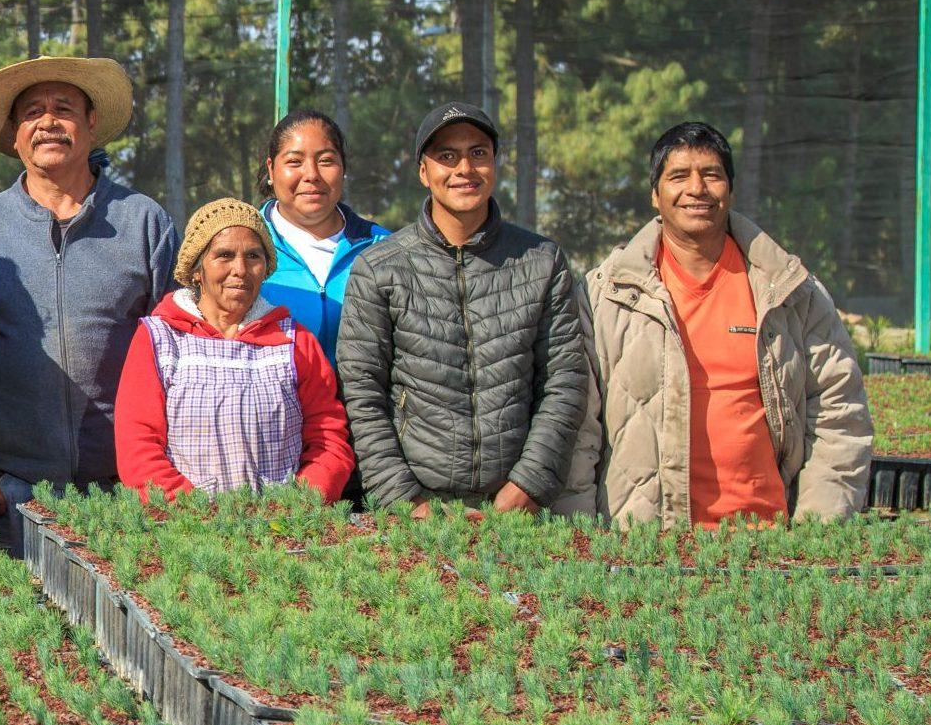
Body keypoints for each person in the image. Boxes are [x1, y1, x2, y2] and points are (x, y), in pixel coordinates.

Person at [580, 122, 871, 525]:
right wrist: (580, 535)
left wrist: (817, 528)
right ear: (655, 195)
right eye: (678, 176)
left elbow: (839, 413)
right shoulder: (606, 296)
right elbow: (579, 429)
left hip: (771, 542)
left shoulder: (791, 292)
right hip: (646, 543)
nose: (696, 188)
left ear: (730, 190)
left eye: (711, 174)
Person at [0, 56, 177, 545]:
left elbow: (177, 353)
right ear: (15, 136)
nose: (48, 121)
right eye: (32, 112)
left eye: (64, 108)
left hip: (125, 492)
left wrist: (158, 473)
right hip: (10, 492)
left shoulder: (143, 223)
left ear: (91, 123)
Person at [337, 102, 590, 515]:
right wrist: (404, 500)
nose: (465, 169)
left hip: (516, 509)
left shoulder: (542, 261)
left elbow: (564, 382)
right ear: (424, 172)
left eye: (478, 153)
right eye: (447, 156)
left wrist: (527, 486)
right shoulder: (380, 268)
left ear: (495, 163)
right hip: (416, 511)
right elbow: (362, 392)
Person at [114, 198, 354, 499]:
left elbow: (328, 439)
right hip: (184, 523)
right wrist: (197, 514)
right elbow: (138, 447)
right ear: (197, 269)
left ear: (265, 268)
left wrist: (298, 507)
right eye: (224, 255)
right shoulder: (160, 338)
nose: (240, 269)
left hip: (282, 523)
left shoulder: (295, 341)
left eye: (253, 256)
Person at [257, 110, 391, 359]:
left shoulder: (384, 248)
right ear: (271, 170)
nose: (311, 175)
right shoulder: (243, 246)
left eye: (326, 161)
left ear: (343, 168)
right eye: (294, 162)